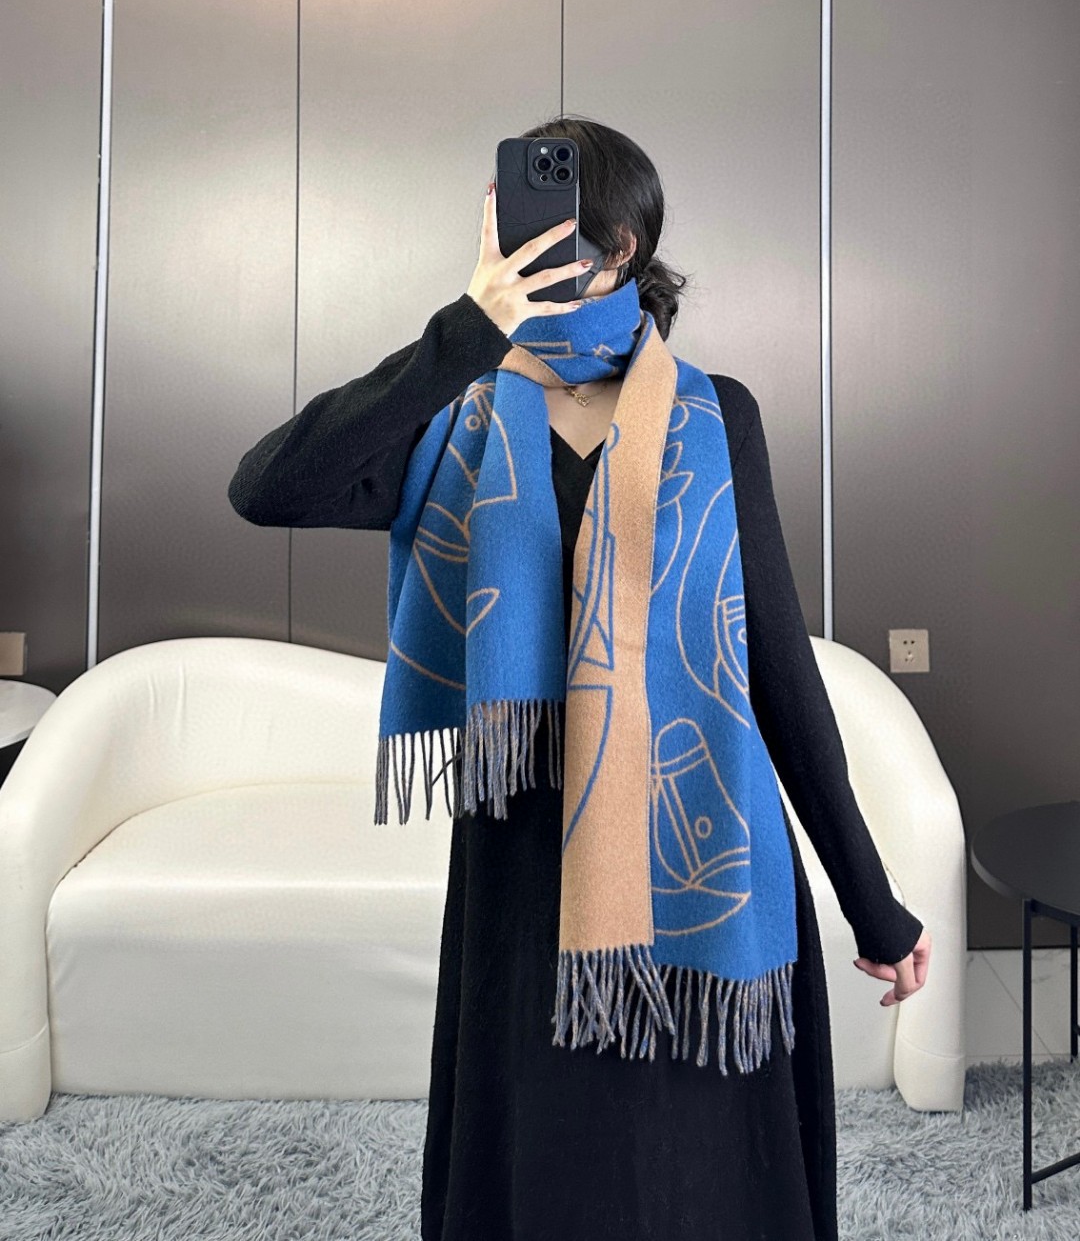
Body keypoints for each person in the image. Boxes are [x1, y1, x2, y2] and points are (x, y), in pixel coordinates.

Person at [228, 117, 931, 1241]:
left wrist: (872, 900)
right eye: (509, 216)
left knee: (700, 1183)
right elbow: (269, 486)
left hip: (702, 856)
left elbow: (777, 665)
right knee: (550, 1179)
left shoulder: (718, 414)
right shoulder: (454, 413)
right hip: (525, 870)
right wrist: (465, 332)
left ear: (622, 247)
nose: (524, 241)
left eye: (556, 226)